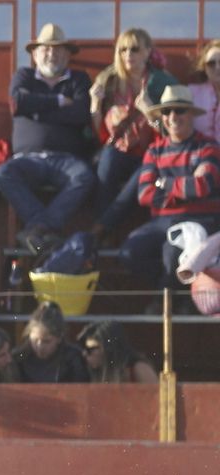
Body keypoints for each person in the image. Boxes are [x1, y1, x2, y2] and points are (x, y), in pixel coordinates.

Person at [0, 25, 95, 254]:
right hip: (27, 160)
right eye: (46, 49)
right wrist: (59, 101)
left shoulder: (79, 80)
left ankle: (36, 228)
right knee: (3, 174)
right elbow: (18, 102)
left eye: (58, 50)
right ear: (35, 54)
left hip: (66, 160)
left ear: (68, 54)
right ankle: (45, 226)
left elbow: (80, 113)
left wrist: (36, 109)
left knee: (85, 177)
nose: (52, 54)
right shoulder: (24, 76)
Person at [125, 86, 220, 293]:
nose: (173, 116)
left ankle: (165, 303)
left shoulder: (208, 146)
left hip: (201, 222)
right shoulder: (154, 150)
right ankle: (168, 297)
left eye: (179, 110)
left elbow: (202, 186)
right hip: (162, 221)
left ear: (192, 115)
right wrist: (185, 191)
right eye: (167, 112)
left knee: (171, 255)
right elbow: (144, 195)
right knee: (129, 252)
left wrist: (166, 184)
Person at [89, 27, 177, 232]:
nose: (129, 55)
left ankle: (100, 229)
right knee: (108, 159)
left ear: (147, 51)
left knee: (141, 177)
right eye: (123, 49)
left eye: (135, 49)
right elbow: (101, 135)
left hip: (151, 152)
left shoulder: (163, 83)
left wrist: (148, 111)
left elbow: (172, 132)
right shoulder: (109, 82)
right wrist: (95, 106)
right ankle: (102, 229)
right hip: (117, 150)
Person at [10, 301, 90, 383]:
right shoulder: (19, 357)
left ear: (59, 338)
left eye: (46, 341)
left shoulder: (73, 359)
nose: (40, 346)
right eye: (35, 340)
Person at [78, 320, 158, 383]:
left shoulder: (137, 369)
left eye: (91, 349)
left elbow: (157, 399)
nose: (84, 354)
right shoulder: (89, 372)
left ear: (109, 348)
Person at [192, 39, 220, 140]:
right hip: (199, 154)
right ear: (204, 68)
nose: (217, 67)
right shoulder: (191, 93)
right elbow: (170, 126)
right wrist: (151, 118)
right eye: (211, 63)